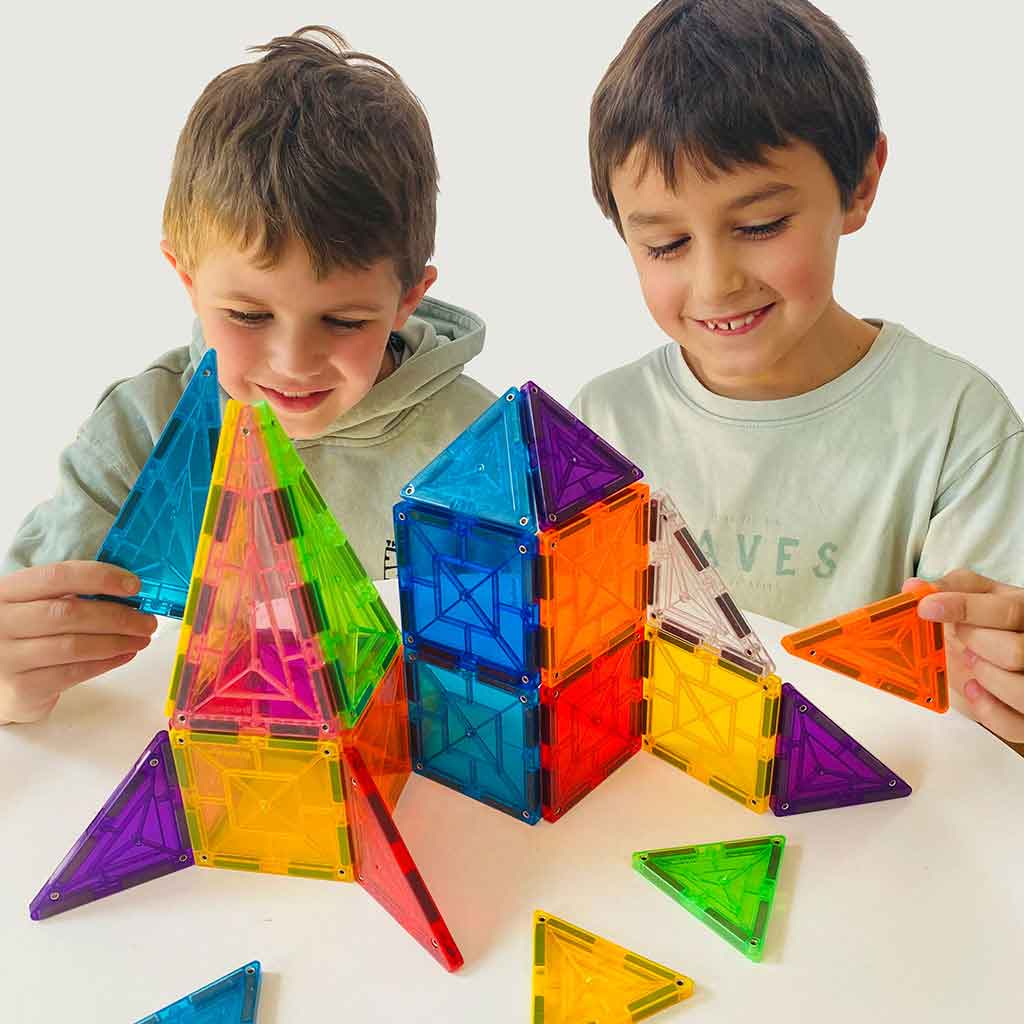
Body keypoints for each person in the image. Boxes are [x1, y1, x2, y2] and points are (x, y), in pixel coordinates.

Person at [0, 26, 494, 725]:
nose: (293, 363)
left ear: (408, 299)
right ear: (187, 278)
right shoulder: (139, 434)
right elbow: (28, 648)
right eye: (247, 314)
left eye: (344, 321)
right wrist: (13, 686)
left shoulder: (480, 447)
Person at [573, 0, 1024, 742]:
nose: (716, 283)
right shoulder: (599, 425)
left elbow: (979, 720)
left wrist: (1001, 694)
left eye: (760, 226)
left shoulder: (956, 426)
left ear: (860, 183)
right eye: (666, 245)